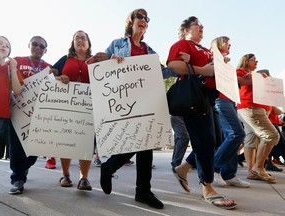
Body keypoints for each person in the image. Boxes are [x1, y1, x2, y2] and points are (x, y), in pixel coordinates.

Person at [99, 8, 172, 209]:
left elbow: (163, 74)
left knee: (146, 143)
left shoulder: (151, 52)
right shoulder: (117, 44)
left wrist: (179, 64)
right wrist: (110, 60)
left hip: (145, 100)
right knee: (133, 144)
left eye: (146, 18)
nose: (143, 20)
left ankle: (142, 190)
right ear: (130, 21)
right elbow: (98, 65)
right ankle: (111, 167)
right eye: (139, 16)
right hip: (123, 99)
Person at [167, 16, 236, 210]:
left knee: (215, 141)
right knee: (204, 140)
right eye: (198, 24)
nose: (202, 27)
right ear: (187, 29)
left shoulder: (206, 50)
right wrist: (202, 69)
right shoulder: (182, 44)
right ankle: (207, 187)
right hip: (194, 96)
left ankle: (183, 168)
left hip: (209, 98)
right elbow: (173, 65)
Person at [52, 30, 95, 191]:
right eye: (76, 37)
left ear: (89, 43)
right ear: (72, 43)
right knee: (66, 141)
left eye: (84, 37)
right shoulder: (65, 59)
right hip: (66, 108)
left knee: (87, 142)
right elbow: (49, 76)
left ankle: (84, 178)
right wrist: (58, 78)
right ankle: (65, 174)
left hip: (88, 108)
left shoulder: (94, 62)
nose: (80, 40)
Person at [9, 36, 51, 195]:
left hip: (39, 115)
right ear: (29, 45)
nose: (38, 48)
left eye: (42, 46)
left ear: (46, 50)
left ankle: (25, 167)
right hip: (17, 111)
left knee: (34, 150)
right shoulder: (17, 61)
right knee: (17, 148)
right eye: (35, 44)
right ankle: (17, 179)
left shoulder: (49, 67)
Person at [211, 36, 250, 188]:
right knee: (236, 133)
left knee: (232, 136)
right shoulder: (213, 57)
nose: (229, 45)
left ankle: (229, 174)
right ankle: (214, 168)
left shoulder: (227, 63)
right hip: (220, 99)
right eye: (227, 42)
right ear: (219, 44)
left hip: (230, 99)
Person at [236, 54, 280, 183]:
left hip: (256, 109)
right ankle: (259, 167)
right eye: (253, 59)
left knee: (251, 139)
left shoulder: (253, 74)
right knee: (272, 135)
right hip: (251, 108)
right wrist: (258, 79)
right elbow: (238, 81)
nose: (257, 61)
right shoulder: (241, 71)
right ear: (246, 60)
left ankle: (251, 171)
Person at [0, 35, 22, 161]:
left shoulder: (10, 68)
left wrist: (13, 69)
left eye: (7, 46)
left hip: (2, 115)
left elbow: (17, 90)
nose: (3, 46)